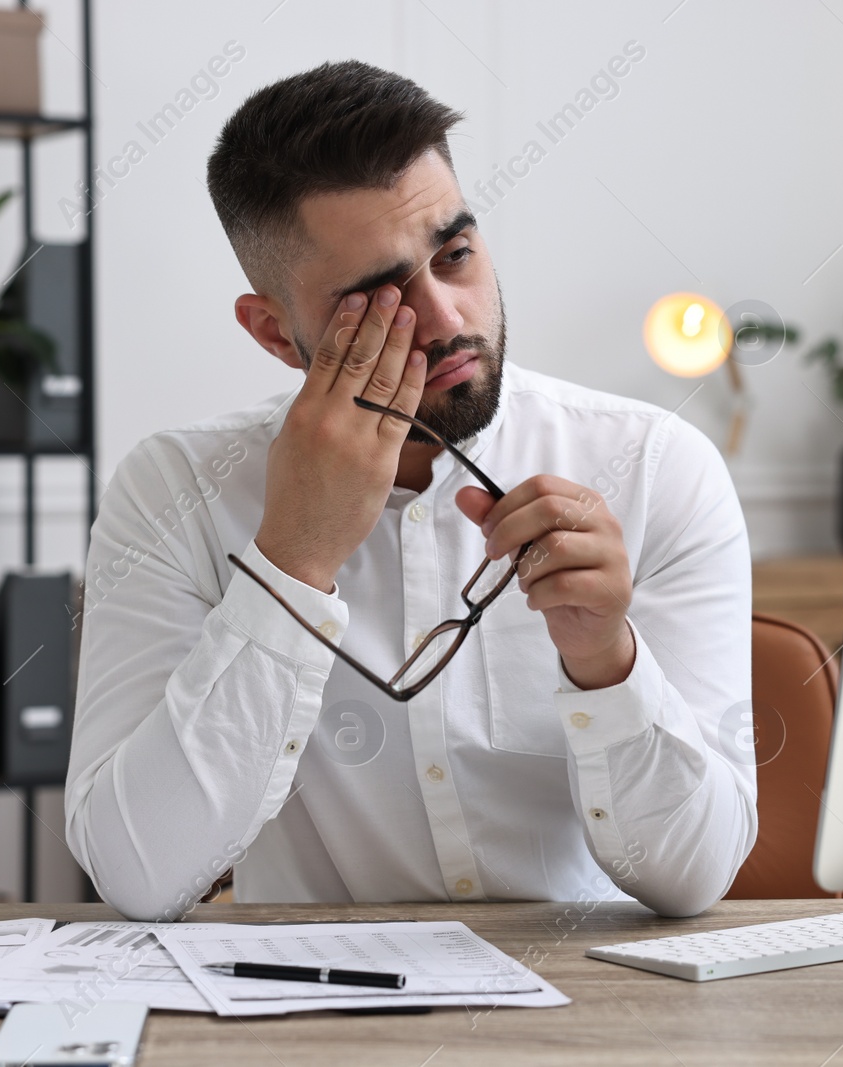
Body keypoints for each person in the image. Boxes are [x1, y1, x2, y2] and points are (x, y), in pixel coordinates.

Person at [64, 60, 754, 921]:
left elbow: (695, 876)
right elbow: (137, 873)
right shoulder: (172, 491)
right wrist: (293, 561)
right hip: (310, 1024)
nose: (446, 318)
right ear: (276, 332)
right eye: (377, 297)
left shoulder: (657, 467)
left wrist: (606, 658)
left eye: (455, 255)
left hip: (592, 1016)